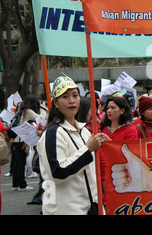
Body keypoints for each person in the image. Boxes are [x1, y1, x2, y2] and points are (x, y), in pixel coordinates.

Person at [37, 75, 111, 215]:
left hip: (91, 207)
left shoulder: (84, 131)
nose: (72, 101)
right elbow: (58, 172)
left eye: (75, 95)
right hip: (65, 210)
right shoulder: (53, 133)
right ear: (56, 103)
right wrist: (88, 149)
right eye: (65, 97)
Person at [9, 95, 47, 192]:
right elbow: (41, 119)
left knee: (18, 162)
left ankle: (15, 184)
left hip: (16, 140)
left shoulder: (20, 111)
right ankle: (22, 185)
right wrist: (43, 108)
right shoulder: (28, 111)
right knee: (21, 163)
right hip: (22, 140)